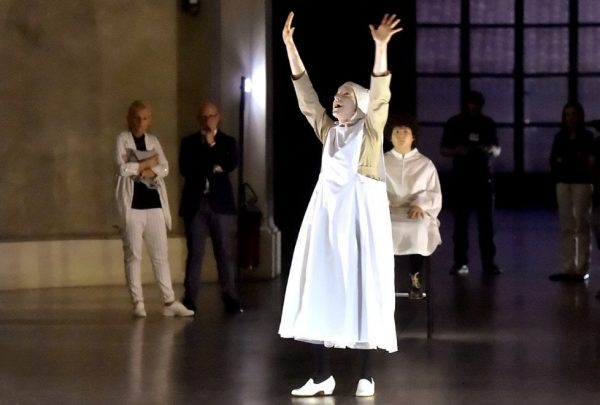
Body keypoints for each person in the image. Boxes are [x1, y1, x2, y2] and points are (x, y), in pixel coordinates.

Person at [277, 11, 402, 398]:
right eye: (337, 94)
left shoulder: (370, 133)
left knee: (362, 289)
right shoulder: (329, 132)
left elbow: (381, 96)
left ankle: (366, 373)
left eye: (345, 95)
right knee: (320, 287)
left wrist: (380, 47)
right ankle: (321, 375)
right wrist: (290, 47)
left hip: (360, 221)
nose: (337, 98)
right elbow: (306, 97)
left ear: (359, 104)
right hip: (327, 219)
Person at [114, 100, 194, 318]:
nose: (140, 122)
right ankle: (138, 302)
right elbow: (122, 168)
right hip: (133, 207)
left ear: (149, 121)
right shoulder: (122, 139)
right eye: (137, 118)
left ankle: (169, 301)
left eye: (145, 118)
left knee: (160, 255)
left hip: (154, 204)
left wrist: (143, 168)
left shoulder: (153, 141)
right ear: (129, 119)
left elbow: (164, 168)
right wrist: (146, 164)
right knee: (133, 255)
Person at [178, 101, 243, 314]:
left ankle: (230, 296)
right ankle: (190, 298)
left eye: (212, 116)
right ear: (199, 119)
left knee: (224, 252)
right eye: (204, 117)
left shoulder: (227, 142)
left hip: (220, 204)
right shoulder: (189, 142)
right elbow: (186, 168)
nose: (208, 120)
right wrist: (213, 164)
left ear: (219, 117)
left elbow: (230, 163)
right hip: (196, 204)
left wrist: (212, 146)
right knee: (195, 253)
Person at [441, 90, 502, 276]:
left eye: (476, 104)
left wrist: (489, 149)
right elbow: (443, 149)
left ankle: (488, 263)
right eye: (470, 104)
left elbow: (497, 149)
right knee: (460, 224)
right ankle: (460, 263)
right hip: (461, 178)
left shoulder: (487, 123)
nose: (473, 107)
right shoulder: (454, 123)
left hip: (483, 177)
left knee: (487, 224)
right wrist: (457, 151)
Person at [384, 113, 442, 299]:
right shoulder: (381, 162)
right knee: (380, 230)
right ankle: (383, 281)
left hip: (413, 212)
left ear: (413, 136)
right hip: (388, 211)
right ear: (389, 136)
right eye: (396, 131)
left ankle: (415, 279)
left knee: (418, 228)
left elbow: (433, 192)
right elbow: (372, 187)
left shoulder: (425, 164)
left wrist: (420, 204)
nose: (401, 135)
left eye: (405, 132)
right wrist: (382, 204)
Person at [548, 101, 594, 282]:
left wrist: (567, 161)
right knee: (567, 225)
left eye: (573, 114)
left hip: (581, 182)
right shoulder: (560, 137)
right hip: (564, 182)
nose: (570, 118)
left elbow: (587, 161)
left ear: (579, 116)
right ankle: (568, 268)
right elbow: (554, 160)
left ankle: (581, 268)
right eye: (567, 115)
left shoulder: (587, 136)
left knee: (581, 223)